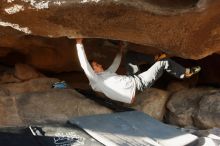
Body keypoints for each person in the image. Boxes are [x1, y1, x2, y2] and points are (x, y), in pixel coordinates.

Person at [76, 38, 201, 104]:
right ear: (94, 71)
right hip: (138, 84)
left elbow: (115, 64)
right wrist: (79, 44)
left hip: (133, 77)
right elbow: (84, 65)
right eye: (96, 65)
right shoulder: (96, 80)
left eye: (97, 63)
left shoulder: (105, 74)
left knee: (130, 56)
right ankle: (184, 72)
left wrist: (120, 50)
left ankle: (154, 59)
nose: (99, 64)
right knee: (164, 63)